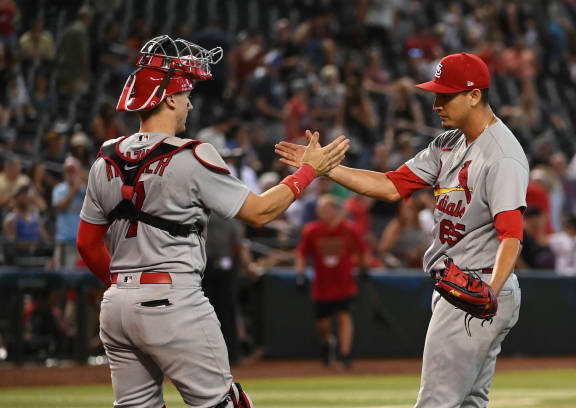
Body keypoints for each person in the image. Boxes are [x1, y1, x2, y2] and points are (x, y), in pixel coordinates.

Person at [76, 35, 349, 408]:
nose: (189, 104)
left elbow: (87, 244)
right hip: (172, 299)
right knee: (224, 403)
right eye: (186, 94)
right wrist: (307, 172)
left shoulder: (104, 159)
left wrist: (125, 288)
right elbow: (260, 211)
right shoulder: (192, 155)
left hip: (116, 307)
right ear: (169, 99)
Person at [277, 52, 528, 407]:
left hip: (476, 287)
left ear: (474, 95)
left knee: (435, 402)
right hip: (465, 286)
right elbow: (390, 185)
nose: (436, 104)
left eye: (446, 96)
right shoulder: (449, 143)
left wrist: (490, 291)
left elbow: (512, 235)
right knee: (469, 403)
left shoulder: (502, 155)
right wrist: (324, 169)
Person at [295, 194, 367, 369]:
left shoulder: (348, 229)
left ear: (334, 210)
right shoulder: (312, 230)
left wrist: (364, 268)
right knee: (323, 324)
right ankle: (327, 342)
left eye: (326, 209)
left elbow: (361, 250)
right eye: (320, 209)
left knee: (344, 316)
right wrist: (300, 274)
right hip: (322, 286)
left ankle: (345, 354)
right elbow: (301, 253)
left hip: (344, 284)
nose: (322, 212)